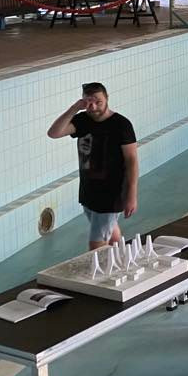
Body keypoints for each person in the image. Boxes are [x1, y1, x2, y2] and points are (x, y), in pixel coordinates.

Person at [46, 83, 138, 250]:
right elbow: (54, 133)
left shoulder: (121, 125)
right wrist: (75, 108)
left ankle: (105, 266)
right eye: (88, 103)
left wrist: (131, 194)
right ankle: (124, 258)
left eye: (98, 102)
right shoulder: (82, 120)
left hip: (112, 193)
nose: (93, 107)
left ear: (107, 99)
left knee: (96, 247)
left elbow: (132, 160)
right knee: (111, 234)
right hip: (88, 191)